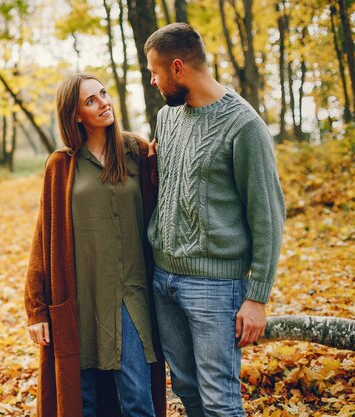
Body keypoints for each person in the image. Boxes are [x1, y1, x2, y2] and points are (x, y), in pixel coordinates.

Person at [144, 23, 286, 417]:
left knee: (220, 400)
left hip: (215, 286)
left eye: (155, 72)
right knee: (187, 390)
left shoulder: (244, 126)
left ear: (177, 68)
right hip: (163, 279)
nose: (153, 81)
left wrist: (256, 296)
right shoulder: (167, 120)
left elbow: (268, 214)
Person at [24, 73, 166, 417]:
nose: (104, 102)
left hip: (129, 295)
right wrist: (36, 308)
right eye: (91, 100)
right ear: (76, 114)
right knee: (81, 401)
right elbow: (44, 237)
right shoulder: (62, 165)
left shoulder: (137, 153)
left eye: (103, 94)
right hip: (78, 297)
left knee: (136, 399)